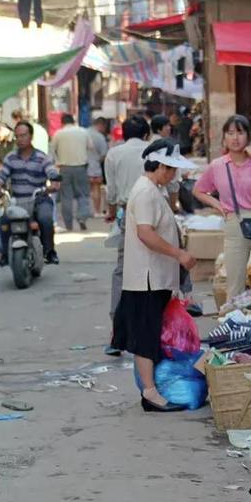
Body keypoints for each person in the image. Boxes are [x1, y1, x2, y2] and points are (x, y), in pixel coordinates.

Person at [111, 137, 197, 413]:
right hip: (146, 279)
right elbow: (145, 233)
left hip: (153, 278)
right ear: (160, 166)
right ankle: (150, 393)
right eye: (171, 169)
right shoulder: (146, 192)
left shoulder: (150, 190)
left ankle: (152, 390)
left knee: (149, 335)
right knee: (145, 337)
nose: (173, 175)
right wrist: (178, 254)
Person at [193, 114, 251, 302]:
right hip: (234, 223)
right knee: (235, 281)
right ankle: (235, 323)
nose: (235, 138)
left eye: (240, 132)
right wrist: (218, 206)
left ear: (248, 136)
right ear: (224, 138)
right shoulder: (218, 165)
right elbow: (199, 190)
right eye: (230, 133)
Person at [104, 116, 150, 346]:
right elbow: (173, 187)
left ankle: (117, 330)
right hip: (154, 214)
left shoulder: (114, 154)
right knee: (161, 268)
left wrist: (112, 212)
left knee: (123, 271)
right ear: (146, 134)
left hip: (128, 214)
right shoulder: (153, 150)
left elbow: (111, 191)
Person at [0, 120, 60, 264]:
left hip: (39, 199)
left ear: (31, 136)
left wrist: (54, 183)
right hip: (17, 200)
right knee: (4, 221)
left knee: (45, 218)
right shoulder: (10, 158)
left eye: (23, 135)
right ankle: (6, 255)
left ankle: (49, 251)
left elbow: (51, 172)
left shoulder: (42, 157)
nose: (20, 139)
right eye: (17, 136)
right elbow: (1, 176)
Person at [51, 113, 92, 231]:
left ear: (62, 123)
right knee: (83, 194)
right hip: (81, 167)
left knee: (66, 197)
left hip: (64, 168)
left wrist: (57, 161)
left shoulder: (58, 134)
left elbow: (52, 150)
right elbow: (91, 146)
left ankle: (68, 224)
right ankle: (82, 217)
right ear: (73, 121)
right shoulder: (83, 132)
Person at [87, 116, 108, 216]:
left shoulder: (83, 133)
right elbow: (104, 154)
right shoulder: (100, 137)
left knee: (84, 191)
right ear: (101, 125)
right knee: (96, 188)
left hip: (82, 166)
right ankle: (96, 211)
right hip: (95, 167)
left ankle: (86, 210)